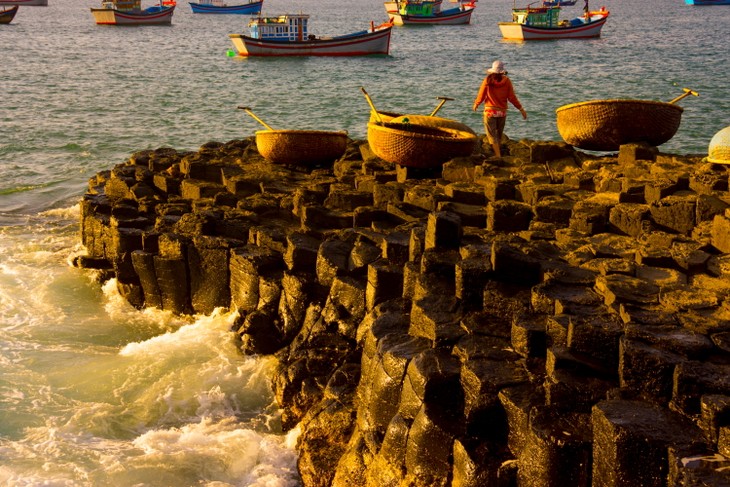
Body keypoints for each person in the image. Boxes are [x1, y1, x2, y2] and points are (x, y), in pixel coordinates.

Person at [472, 60, 527, 159]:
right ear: (502, 71)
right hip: (502, 112)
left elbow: (481, 94)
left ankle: (498, 155)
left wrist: (476, 103)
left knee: (492, 135)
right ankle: (498, 151)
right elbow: (512, 97)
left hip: (490, 111)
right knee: (499, 134)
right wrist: (521, 109)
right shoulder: (507, 81)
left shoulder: (488, 80)